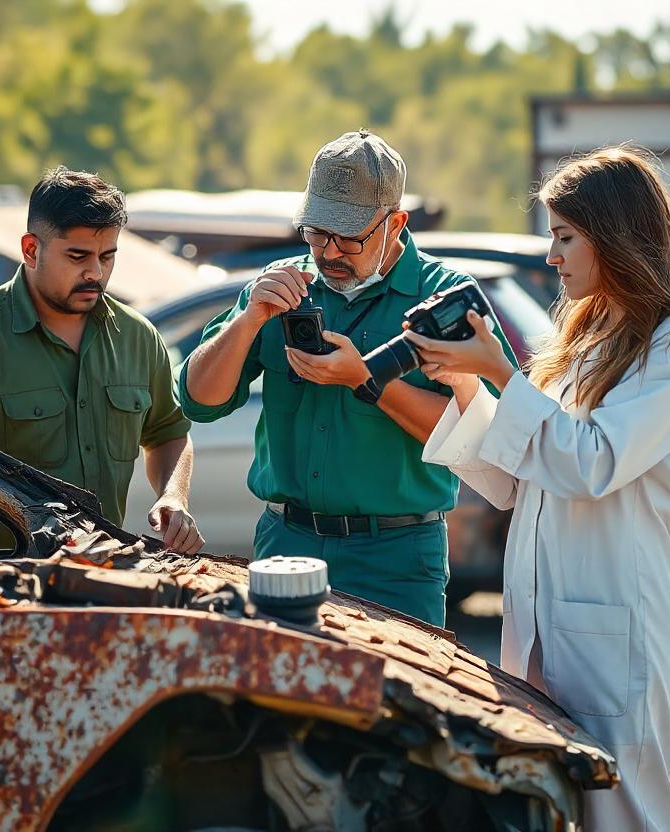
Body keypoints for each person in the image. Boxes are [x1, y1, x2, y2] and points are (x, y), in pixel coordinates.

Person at [413, 146, 670, 829]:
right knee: (555, 804)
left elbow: (591, 463)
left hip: (615, 619)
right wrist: (465, 385)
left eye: (565, 236)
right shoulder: (587, 332)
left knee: (624, 809)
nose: (551, 254)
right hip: (545, 620)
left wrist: (504, 376)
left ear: (616, 235)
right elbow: (515, 482)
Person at [179, 130, 516, 626]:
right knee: (278, 700)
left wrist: (366, 380)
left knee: (394, 701)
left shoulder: (447, 298)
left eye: (350, 235)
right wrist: (249, 319)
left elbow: (486, 440)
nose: (329, 251)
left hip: (397, 557)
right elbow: (197, 401)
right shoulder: (277, 285)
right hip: (285, 546)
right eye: (317, 232)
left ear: (395, 223)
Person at [0, 166, 205, 557]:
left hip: (107, 572)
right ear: (31, 249)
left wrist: (173, 496)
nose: (95, 272)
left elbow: (169, 434)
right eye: (77, 256)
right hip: (3, 585)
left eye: (107, 256)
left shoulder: (138, 338)